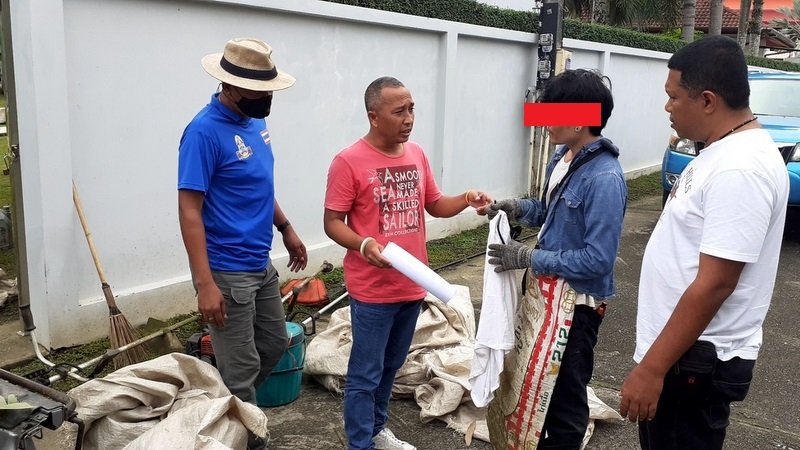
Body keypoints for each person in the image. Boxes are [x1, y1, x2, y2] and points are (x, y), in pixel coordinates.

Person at [619, 36, 789, 449]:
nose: (667, 107)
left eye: (673, 96)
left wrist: (652, 370)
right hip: (681, 356)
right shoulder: (721, 151)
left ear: (708, 100)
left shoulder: (740, 168)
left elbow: (716, 282)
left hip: (691, 364)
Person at [323, 76, 490, 450]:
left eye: (411, 108)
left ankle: (377, 429)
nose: (409, 118)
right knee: (365, 374)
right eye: (399, 111)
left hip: (413, 285)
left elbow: (433, 204)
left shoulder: (416, 155)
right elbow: (332, 222)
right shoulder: (348, 162)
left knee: (390, 367)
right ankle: (359, 443)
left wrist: (466, 197)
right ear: (374, 116)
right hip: (372, 291)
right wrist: (364, 243)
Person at [484, 69, 627, 450]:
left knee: (565, 396)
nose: (543, 121)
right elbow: (549, 213)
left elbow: (597, 260)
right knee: (534, 386)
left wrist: (528, 257)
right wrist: (517, 208)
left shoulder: (605, 179)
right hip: (544, 297)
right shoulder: (563, 159)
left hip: (577, 307)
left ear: (580, 119)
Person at [177, 37, 308, 410]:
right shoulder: (203, 133)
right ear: (230, 86)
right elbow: (189, 211)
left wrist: (285, 227)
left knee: (272, 344)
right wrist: (205, 284)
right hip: (226, 270)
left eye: (268, 89)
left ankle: (228, 408)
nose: (266, 98)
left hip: (259, 262)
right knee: (241, 367)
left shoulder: (254, 122)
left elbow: (257, 185)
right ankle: (245, 432)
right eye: (257, 90)